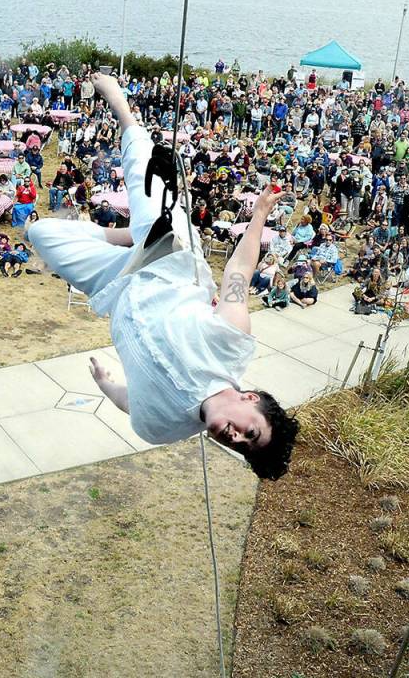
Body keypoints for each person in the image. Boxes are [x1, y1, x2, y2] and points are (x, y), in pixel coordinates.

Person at [27, 73, 297, 479]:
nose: (236, 439)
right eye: (251, 433)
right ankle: (120, 104)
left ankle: (124, 234)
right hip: (166, 253)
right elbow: (238, 273)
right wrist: (258, 216)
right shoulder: (231, 343)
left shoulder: (162, 428)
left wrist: (106, 384)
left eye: (242, 448)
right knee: (143, 175)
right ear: (250, 398)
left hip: (117, 289)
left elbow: (133, 403)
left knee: (41, 233)